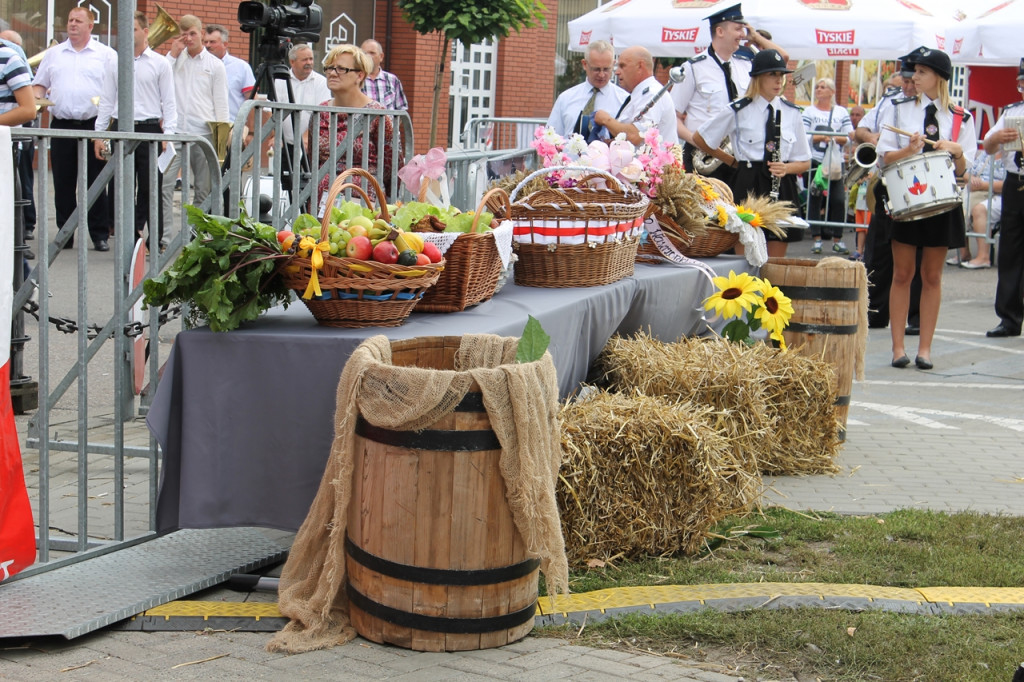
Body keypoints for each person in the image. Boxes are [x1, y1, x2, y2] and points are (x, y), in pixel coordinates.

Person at [876, 47, 976, 369]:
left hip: (943, 202)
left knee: (932, 277)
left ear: (939, 77)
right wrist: (908, 149)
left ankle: (925, 350)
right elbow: (882, 159)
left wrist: (958, 151)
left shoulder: (962, 117)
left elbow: (964, 174)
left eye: (921, 72)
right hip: (907, 199)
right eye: (913, 72)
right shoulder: (899, 109)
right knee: (902, 274)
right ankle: (897, 349)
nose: (914, 78)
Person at [694, 49, 810, 257]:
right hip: (748, 182)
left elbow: (805, 161)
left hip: (780, 183)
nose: (778, 81)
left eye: (781, 75)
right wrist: (731, 161)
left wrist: (787, 167)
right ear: (757, 78)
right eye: (772, 75)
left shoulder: (791, 112)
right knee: (746, 255)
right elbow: (700, 138)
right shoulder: (739, 109)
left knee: (774, 261)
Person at [32, 7, 116, 251]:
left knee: (96, 182)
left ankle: (99, 234)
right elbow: (40, 84)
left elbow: (118, 88)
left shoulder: (106, 55)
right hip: (62, 125)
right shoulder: (54, 54)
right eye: (70, 20)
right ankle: (65, 233)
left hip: (94, 126)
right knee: (63, 181)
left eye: (78, 21)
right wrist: (36, 100)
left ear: (91, 26)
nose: (72, 24)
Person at [671, 3, 786, 180]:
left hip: (737, 154)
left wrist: (756, 38)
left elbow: (782, 59)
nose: (743, 34)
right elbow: (674, 116)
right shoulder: (693, 67)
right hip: (702, 157)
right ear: (720, 31)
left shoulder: (746, 63)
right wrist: (698, 140)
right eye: (738, 29)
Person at [93, 11, 176, 247]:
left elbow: (169, 102)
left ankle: (155, 239)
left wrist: (168, 135)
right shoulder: (114, 62)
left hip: (150, 129)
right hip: (121, 128)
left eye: (134, 29)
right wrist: (99, 134)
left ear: (145, 32)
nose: (129, 34)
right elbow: (107, 100)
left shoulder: (160, 64)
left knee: (152, 188)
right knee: (121, 187)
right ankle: (129, 239)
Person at [853, 56, 923, 332]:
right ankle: (875, 312)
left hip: (916, 181)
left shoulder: (926, 106)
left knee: (917, 252)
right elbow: (860, 129)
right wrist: (871, 139)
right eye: (903, 81)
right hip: (887, 181)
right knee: (879, 249)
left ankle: (915, 317)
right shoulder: (888, 101)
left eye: (910, 81)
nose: (907, 86)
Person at [160, 15, 229, 240]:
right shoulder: (174, 60)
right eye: (184, 33)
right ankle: (165, 238)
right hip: (176, 132)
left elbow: (221, 104)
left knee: (202, 189)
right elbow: (160, 79)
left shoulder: (215, 65)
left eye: (192, 33)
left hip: (204, 134)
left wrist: (222, 140)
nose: (188, 38)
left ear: (201, 34)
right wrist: (173, 53)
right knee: (165, 184)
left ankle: (194, 236)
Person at [310, 44, 397, 216]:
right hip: (322, 202)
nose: (332, 73)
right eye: (329, 68)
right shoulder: (320, 112)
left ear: (360, 75)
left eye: (342, 69)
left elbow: (391, 166)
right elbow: (313, 159)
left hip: (363, 203)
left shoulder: (377, 115)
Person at [981, 59, 1024, 338]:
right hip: (1015, 183)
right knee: (1010, 251)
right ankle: (1008, 318)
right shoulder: (1012, 111)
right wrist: (997, 137)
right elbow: (987, 146)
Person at [804, 78, 854, 255]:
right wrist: (823, 137)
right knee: (814, 199)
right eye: (817, 87)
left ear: (832, 92)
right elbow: (805, 134)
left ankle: (837, 239)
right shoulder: (809, 111)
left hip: (835, 162)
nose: (818, 89)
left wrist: (831, 137)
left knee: (839, 200)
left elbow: (849, 135)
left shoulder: (840, 112)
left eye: (823, 87)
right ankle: (816, 239)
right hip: (816, 161)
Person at [593, 45, 678, 145]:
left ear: (640, 66)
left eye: (623, 66)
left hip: (655, 160)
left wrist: (605, 119)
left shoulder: (652, 93)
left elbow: (636, 135)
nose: (617, 72)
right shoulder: (641, 93)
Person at [546, 40, 627, 139]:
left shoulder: (624, 101)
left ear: (613, 64)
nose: (601, 75)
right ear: (584, 64)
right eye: (596, 69)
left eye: (606, 69)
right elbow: (550, 139)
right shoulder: (565, 98)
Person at [956, 149, 1003, 269]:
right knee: (957, 204)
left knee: (979, 209)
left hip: (1000, 195)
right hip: (977, 191)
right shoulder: (988, 152)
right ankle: (964, 253)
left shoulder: (1013, 155)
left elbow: (1009, 184)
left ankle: (983, 257)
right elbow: (966, 172)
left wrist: (983, 185)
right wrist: (971, 179)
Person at [203, 24, 254, 121]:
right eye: (205, 42)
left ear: (225, 44)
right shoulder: (199, 66)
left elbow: (251, 101)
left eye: (212, 42)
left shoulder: (241, 67)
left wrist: (249, 131)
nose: (207, 45)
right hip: (203, 127)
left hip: (232, 127)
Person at [359, 39, 407, 110]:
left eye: (372, 53)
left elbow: (402, 110)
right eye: (365, 53)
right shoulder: (355, 79)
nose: (368, 56)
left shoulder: (393, 80)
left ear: (381, 56)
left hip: (388, 121)